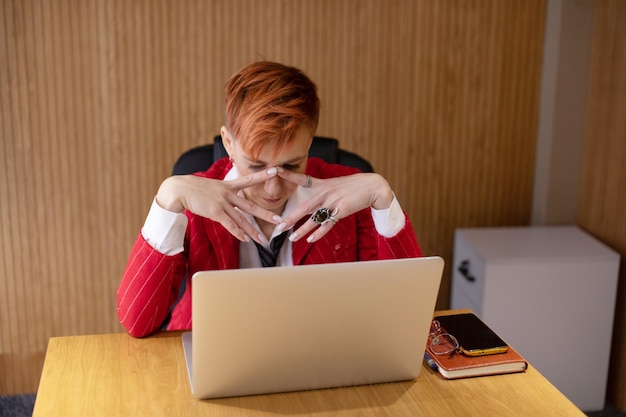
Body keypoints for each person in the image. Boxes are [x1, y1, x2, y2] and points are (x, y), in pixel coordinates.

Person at [117, 61, 422, 337]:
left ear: (309, 145)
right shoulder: (195, 200)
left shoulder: (344, 194)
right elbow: (136, 321)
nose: (273, 190)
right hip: (211, 350)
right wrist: (168, 198)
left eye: (291, 165)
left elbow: (408, 313)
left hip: (319, 356)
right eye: (257, 167)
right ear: (228, 143)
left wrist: (383, 198)